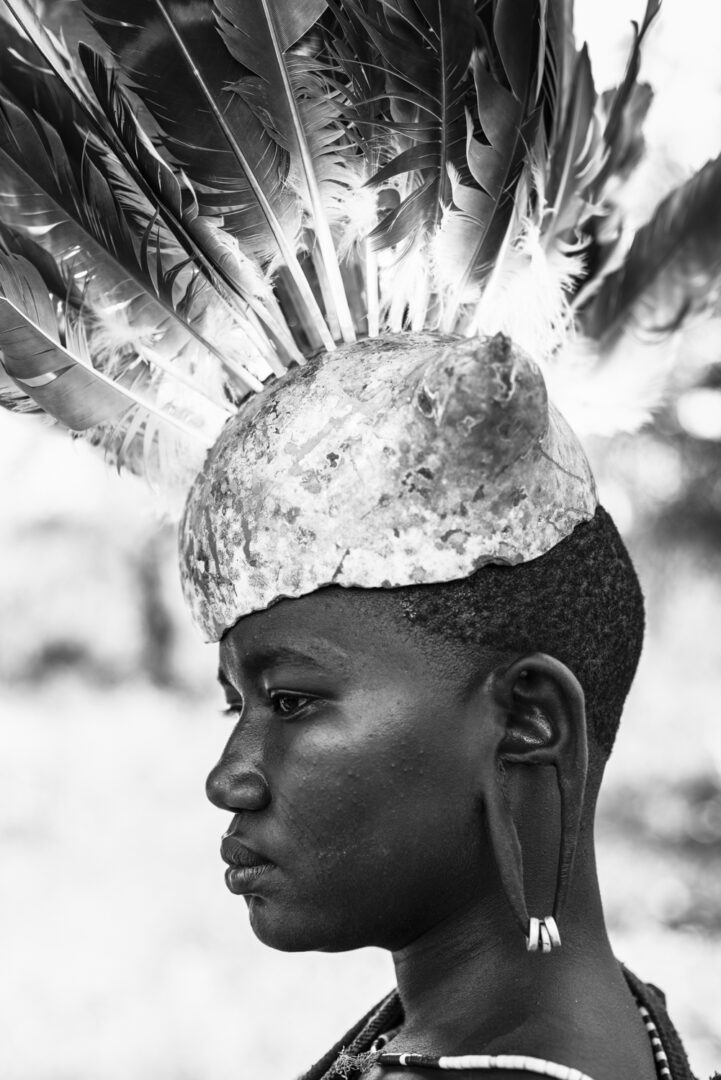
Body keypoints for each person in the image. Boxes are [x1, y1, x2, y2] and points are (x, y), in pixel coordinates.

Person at [0, 1, 716, 1077]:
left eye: (291, 702)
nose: (230, 779)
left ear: (528, 719)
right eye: (238, 705)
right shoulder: (607, 1022)